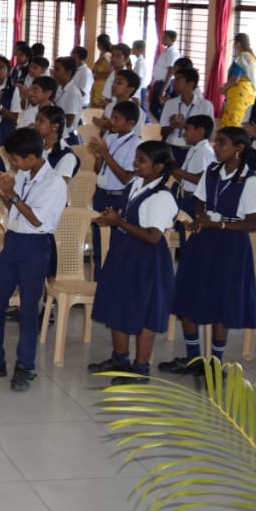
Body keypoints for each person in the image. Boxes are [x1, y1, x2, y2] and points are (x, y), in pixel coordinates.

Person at [0, 127, 67, 392]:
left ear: (31, 157)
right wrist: (4, 192)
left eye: (16, 159)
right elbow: (16, 208)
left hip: (35, 246)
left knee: (28, 309)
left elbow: (37, 219)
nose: (13, 163)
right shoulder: (23, 174)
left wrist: (12, 195)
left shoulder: (53, 182)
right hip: (13, 242)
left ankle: (25, 366)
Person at [161, 126, 256, 374]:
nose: (216, 147)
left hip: (231, 245)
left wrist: (218, 224)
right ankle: (194, 359)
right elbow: (200, 201)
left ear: (238, 149)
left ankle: (215, 363)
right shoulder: (212, 171)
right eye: (216, 141)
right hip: (203, 240)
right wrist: (199, 217)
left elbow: (252, 223)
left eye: (222, 143)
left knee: (221, 303)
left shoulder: (249, 180)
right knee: (188, 295)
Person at [89, 140, 178, 384]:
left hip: (147, 259)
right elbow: (131, 218)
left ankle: (141, 368)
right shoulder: (137, 183)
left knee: (144, 310)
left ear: (158, 167)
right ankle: (120, 358)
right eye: (136, 158)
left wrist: (118, 223)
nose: (135, 163)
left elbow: (152, 236)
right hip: (125, 251)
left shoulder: (161, 196)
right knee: (119, 302)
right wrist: (114, 218)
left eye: (142, 160)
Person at [88, 101, 141, 276]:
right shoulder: (110, 138)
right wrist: (98, 156)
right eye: (112, 117)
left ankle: (113, 282)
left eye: (117, 119)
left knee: (116, 244)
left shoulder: (135, 145)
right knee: (99, 241)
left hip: (119, 197)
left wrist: (106, 155)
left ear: (131, 123)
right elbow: (98, 170)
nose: (112, 122)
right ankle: (99, 280)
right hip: (102, 194)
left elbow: (125, 178)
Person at [159, 67, 213, 166]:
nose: (174, 83)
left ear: (190, 84)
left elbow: (208, 134)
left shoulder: (205, 105)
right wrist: (172, 126)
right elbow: (163, 133)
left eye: (177, 80)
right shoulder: (170, 103)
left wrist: (184, 125)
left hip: (194, 150)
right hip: (172, 148)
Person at [221, 33, 256, 127]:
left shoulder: (242, 57)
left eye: (235, 43)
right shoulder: (251, 57)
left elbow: (234, 79)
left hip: (238, 95)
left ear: (238, 43)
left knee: (233, 122)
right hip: (249, 94)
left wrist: (223, 88)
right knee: (244, 120)